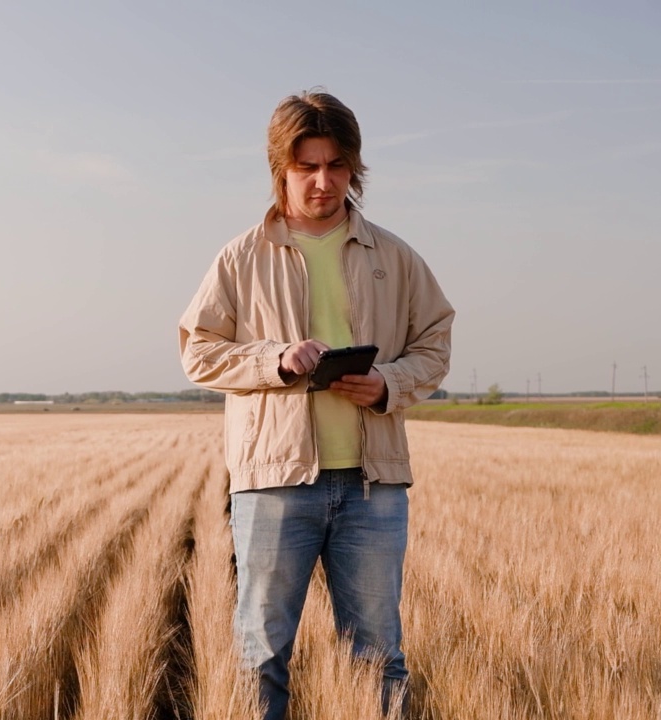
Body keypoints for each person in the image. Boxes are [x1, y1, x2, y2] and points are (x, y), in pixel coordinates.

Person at [177, 90, 453, 719]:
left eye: (335, 166)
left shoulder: (397, 256)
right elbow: (198, 352)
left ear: (354, 168)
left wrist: (388, 383)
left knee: (380, 657)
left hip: (372, 486)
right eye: (306, 167)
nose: (322, 182)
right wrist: (274, 360)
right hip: (275, 485)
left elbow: (434, 345)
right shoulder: (240, 257)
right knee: (261, 656)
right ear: (281, 168)